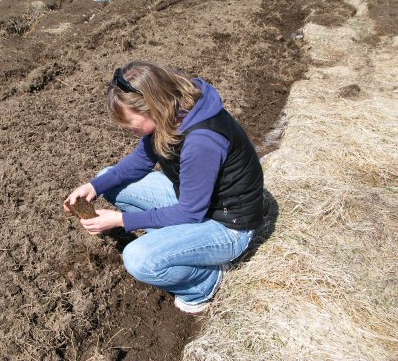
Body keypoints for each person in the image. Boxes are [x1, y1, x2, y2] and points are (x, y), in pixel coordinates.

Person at [64, 61, 263, 314]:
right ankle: (176, 246)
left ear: (151, 106)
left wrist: (121, 220)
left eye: (130, 122)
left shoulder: (202, 140)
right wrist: (94, 186)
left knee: (139, 259)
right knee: (109, 179)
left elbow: (190, 213)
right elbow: (141, 161)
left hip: (228, 225)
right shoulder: (170, 112)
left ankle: (204, 282)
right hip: (197, 201)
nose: (127, 129)